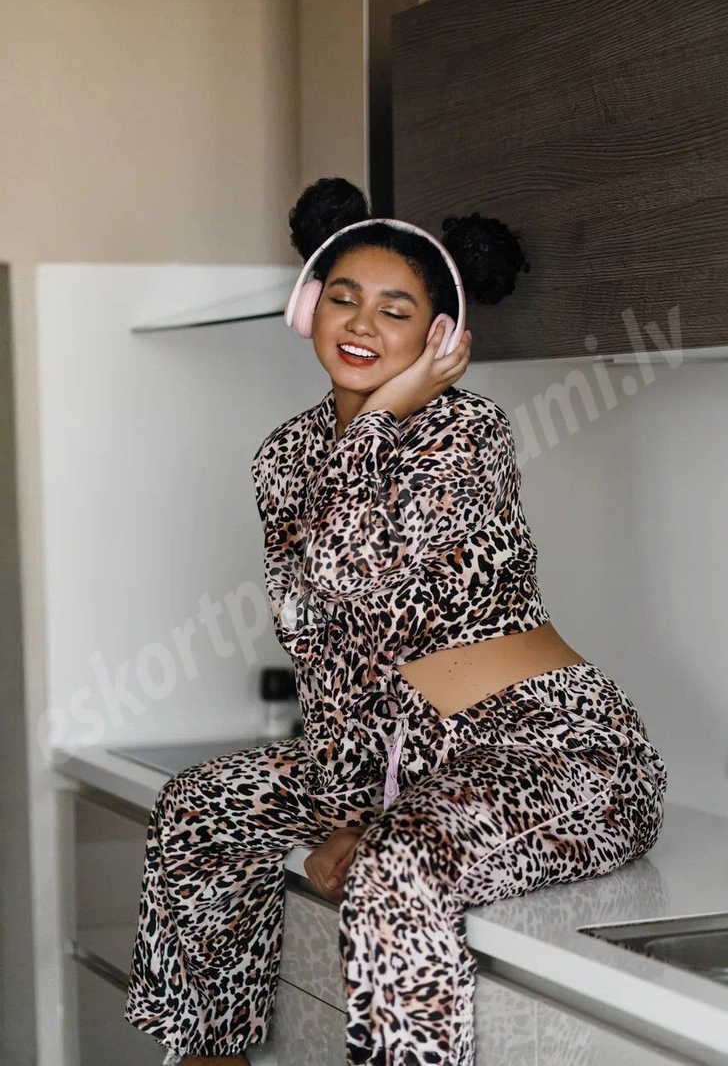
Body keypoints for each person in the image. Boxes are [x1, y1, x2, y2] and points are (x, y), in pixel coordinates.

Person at [124, 177, 668, 1066]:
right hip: (397, 764)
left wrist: (379, 414)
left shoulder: (468, 436)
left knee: (397, 867)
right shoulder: (286, 455)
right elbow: (314, 630)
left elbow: (349, 569)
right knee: (200, 808)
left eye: (396, 309)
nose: (362, 324)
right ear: (309, 306)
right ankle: (209, 1055)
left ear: (439, 337)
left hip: (556, 756)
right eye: (343, 297)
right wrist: (366, 804)